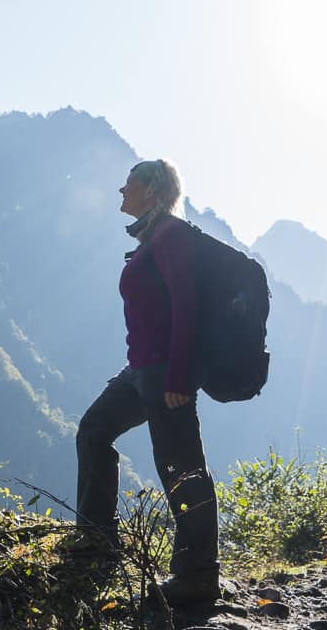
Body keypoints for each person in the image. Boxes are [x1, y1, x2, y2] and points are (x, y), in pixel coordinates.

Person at [73, 158, 220, 604]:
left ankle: (197, 576)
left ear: (152, 191)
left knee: (181, 466)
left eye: (129, 184)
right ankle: (98, 543)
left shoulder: (171, 236)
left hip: (164, 373)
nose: (121, 190)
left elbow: (187, 306)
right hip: (140, 370)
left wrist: (179, 376)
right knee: (94, 430)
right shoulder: (152, 237)